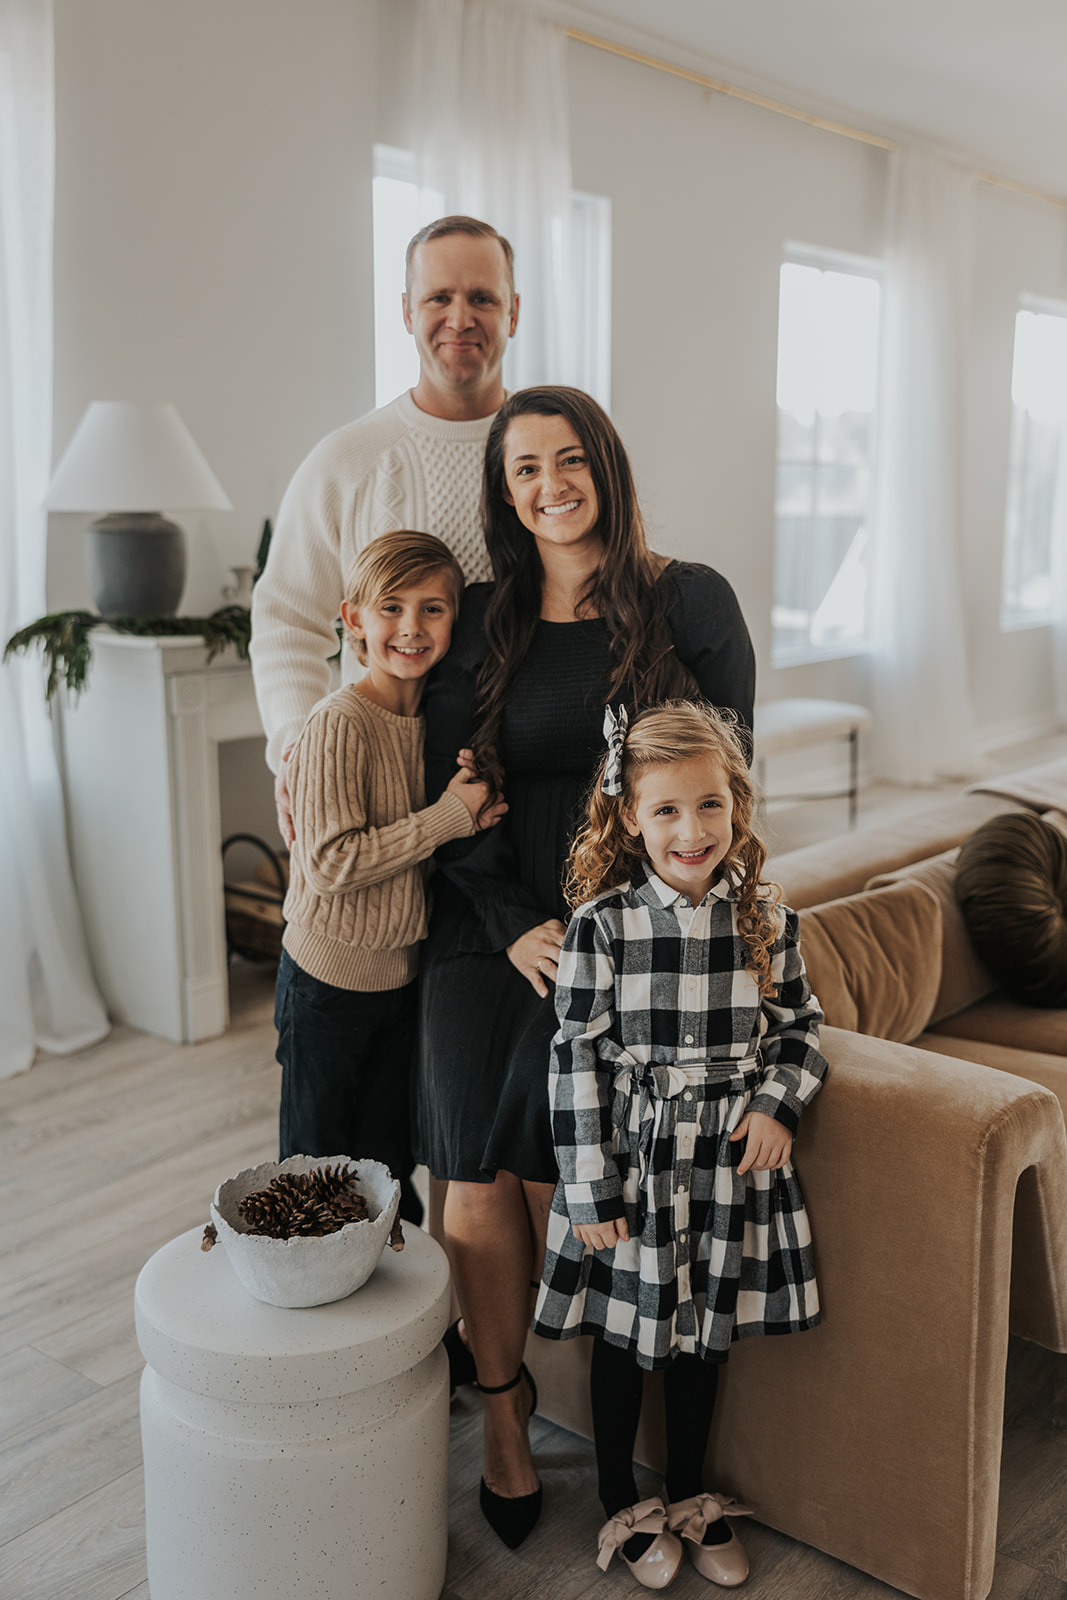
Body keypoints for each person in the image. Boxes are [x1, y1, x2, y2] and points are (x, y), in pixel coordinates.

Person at [415, 386, 757, 1548]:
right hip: (493, 923)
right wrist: (511, 923)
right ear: (502, 492)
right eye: (523, 470)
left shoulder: (687, 601)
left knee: (578, 1161)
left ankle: (622, 1440)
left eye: (568, 460)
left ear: (603, 467)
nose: (548, 485)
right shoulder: (481, 615)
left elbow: (726, 783)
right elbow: (449, 793)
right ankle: (506, 1422)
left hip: (637, 942)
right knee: (468, 1172)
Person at [533, 700, 826, 1590]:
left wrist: (777, 1104)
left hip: (727, 1173)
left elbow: (802, 1029)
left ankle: (692, 1495)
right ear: (630, 818)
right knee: (627, 1338)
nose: (690, 830)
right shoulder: (603, 927)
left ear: (735, 803)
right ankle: (624, 1502)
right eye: (665, 810)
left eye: (708, 805)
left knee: (706, 1339)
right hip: (636, 1165)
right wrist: (589, 1186)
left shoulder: (768, 920)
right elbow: (573, 1052)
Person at [250, 215, 520, 843]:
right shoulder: (345, 460)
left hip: (517, 796)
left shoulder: (552, 460)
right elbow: (287, 616)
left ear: (512, 312)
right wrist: (297, 749)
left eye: (482, 297)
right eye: (438, 298)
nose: (460, 318)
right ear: (406, 311)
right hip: (374, 796)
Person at [275, 530, 505, 1223]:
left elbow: (428, 841)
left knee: (387, 1169)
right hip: (326, 984)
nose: (410, 627)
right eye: (391, 608)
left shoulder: (431, 726)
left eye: (432, 609)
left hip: (398, 980)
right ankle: (312, 1319)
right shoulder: (338, 721)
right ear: (353, 620)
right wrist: (447, 817)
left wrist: (473, 805)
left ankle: (388, 1324)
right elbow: (331, 863)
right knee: (314, 1175)